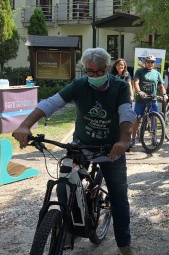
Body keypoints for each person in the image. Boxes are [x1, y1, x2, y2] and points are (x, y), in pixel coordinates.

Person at [12, 48, 136, 255]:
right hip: (82, 144)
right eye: (90, 71)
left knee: (118, 198)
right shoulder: (79, 85)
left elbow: (126, 113)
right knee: (64, 183)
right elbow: (52, 102)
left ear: (107, 69)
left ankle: (124, 245)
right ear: (85, 70)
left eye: (98, 71)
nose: (94, 76)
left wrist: (124, 140)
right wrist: (25, 125)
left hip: (111, 148)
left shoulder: (120, 86)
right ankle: (68, 227)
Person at [130, 55, 168, 147]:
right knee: (137, 119)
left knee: (154, 118)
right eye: (148, 62)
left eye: (152, 62)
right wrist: (139, 91)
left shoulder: (157, 73)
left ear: (154, 64)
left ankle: (153, 138)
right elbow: (136, 83)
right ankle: (133, 138)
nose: (150, 64)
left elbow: (161, 86)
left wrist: (164, 94)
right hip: (141, 100)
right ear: (145, 63)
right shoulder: (139, 71)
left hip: (152, 99)